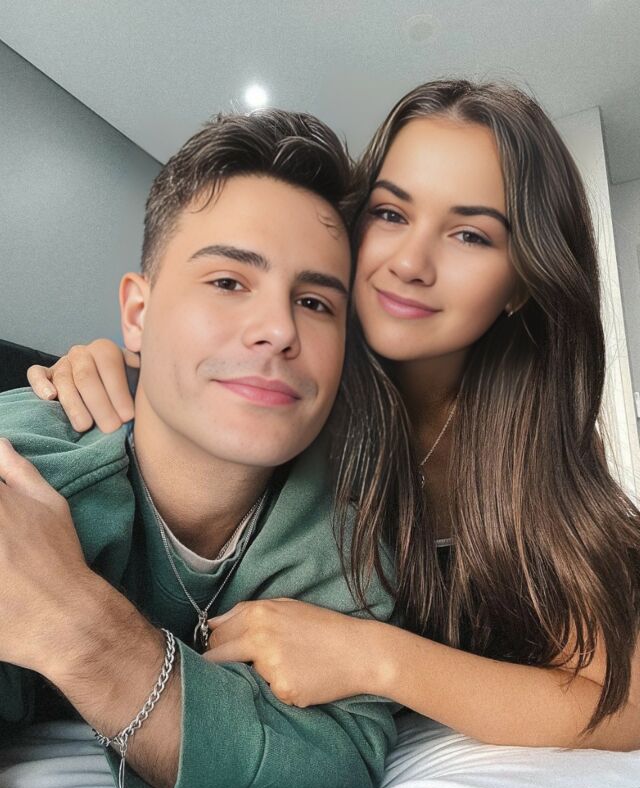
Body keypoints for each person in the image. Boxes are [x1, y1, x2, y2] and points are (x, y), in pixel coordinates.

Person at [36, 80, 640, 752]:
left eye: (469, 234)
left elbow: (623, 699)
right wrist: (118, 366)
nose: (410, 263)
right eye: (391, 214)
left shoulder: (527, 444)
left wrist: (374, 658)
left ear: (521, 283)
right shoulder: (285, 393)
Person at [0, 109, 404, 788]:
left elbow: (338, 755)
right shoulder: (28, 468)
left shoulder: (349, 541)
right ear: (137, 314)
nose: (278, 329)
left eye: (315, 302)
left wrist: (84, 635)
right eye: (227, 281)